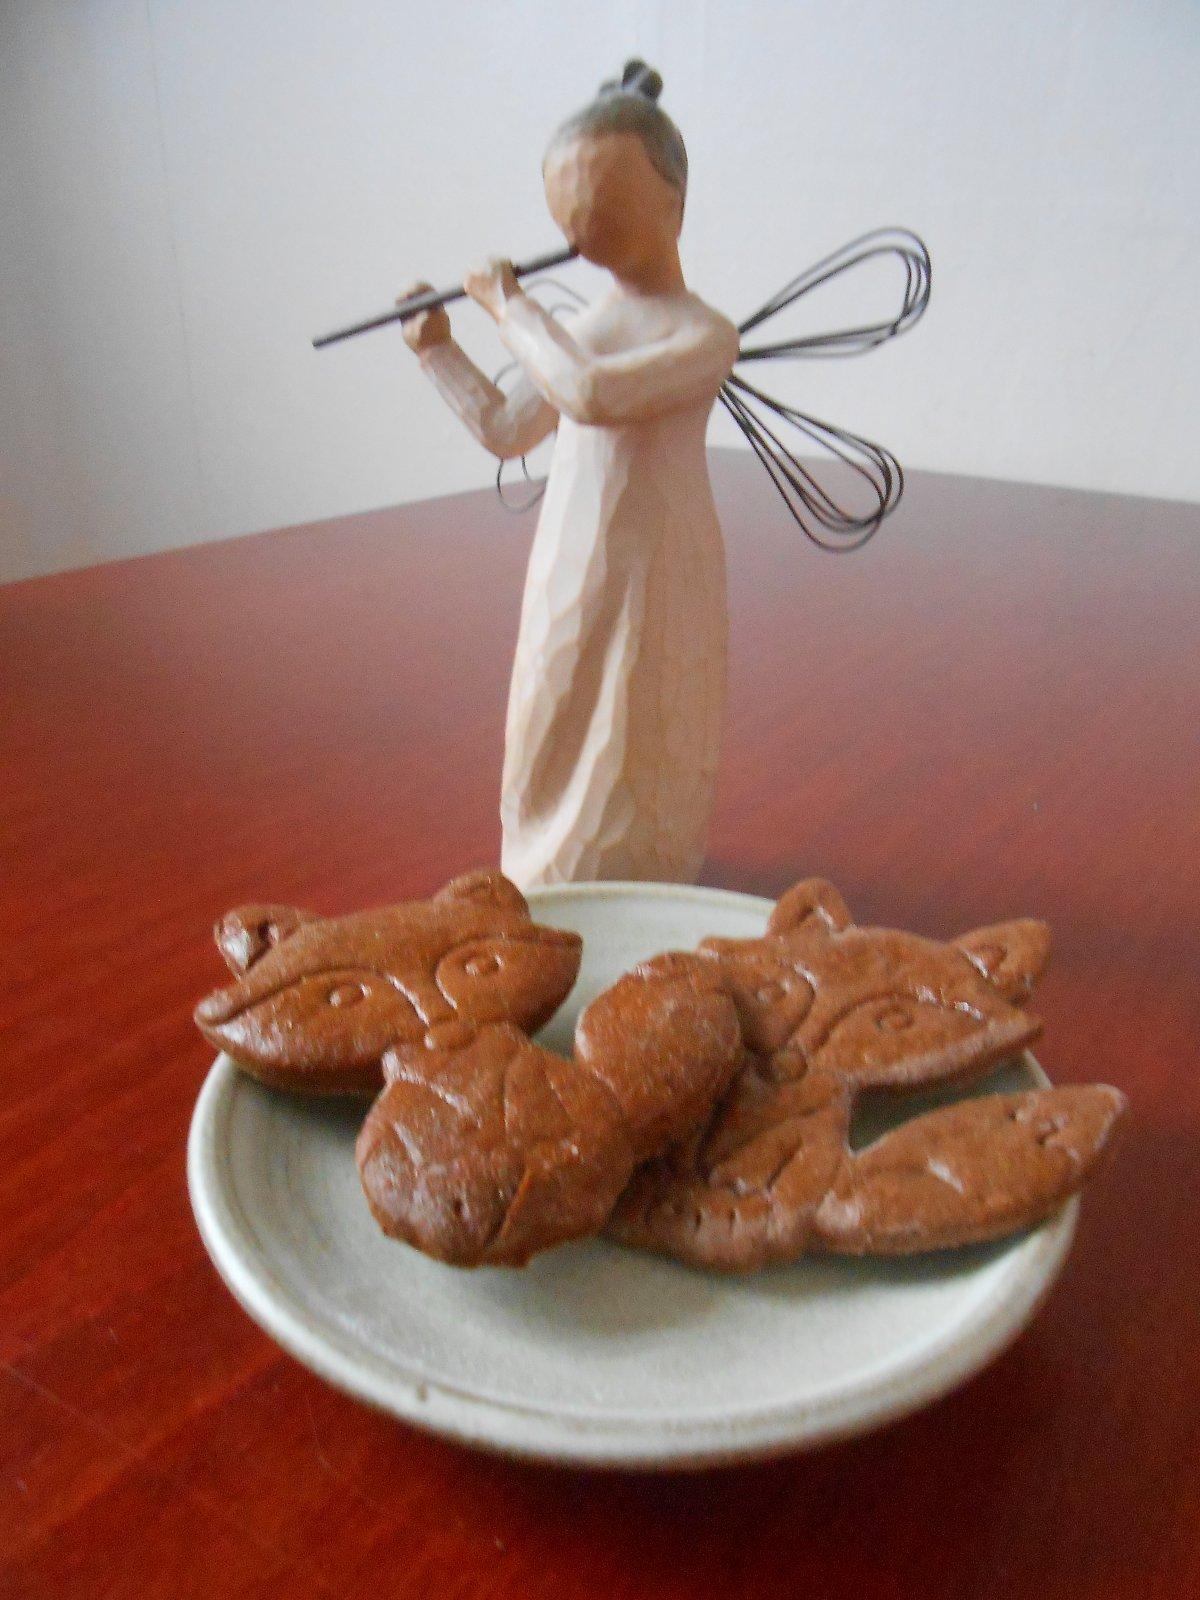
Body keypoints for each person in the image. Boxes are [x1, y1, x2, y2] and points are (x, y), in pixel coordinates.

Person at [399, 61, 738, 886]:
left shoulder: (703, 335)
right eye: (573, 213)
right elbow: (506, 427)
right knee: (545, 725)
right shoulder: (581, 326)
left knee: (641, 723)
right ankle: (539, 879)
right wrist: (437, 350)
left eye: (606, 205)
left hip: (656, 576)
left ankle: (642, 881)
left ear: (674, 203)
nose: (586, 228)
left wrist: (510, 307)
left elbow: (591, 393)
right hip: (569, 566)